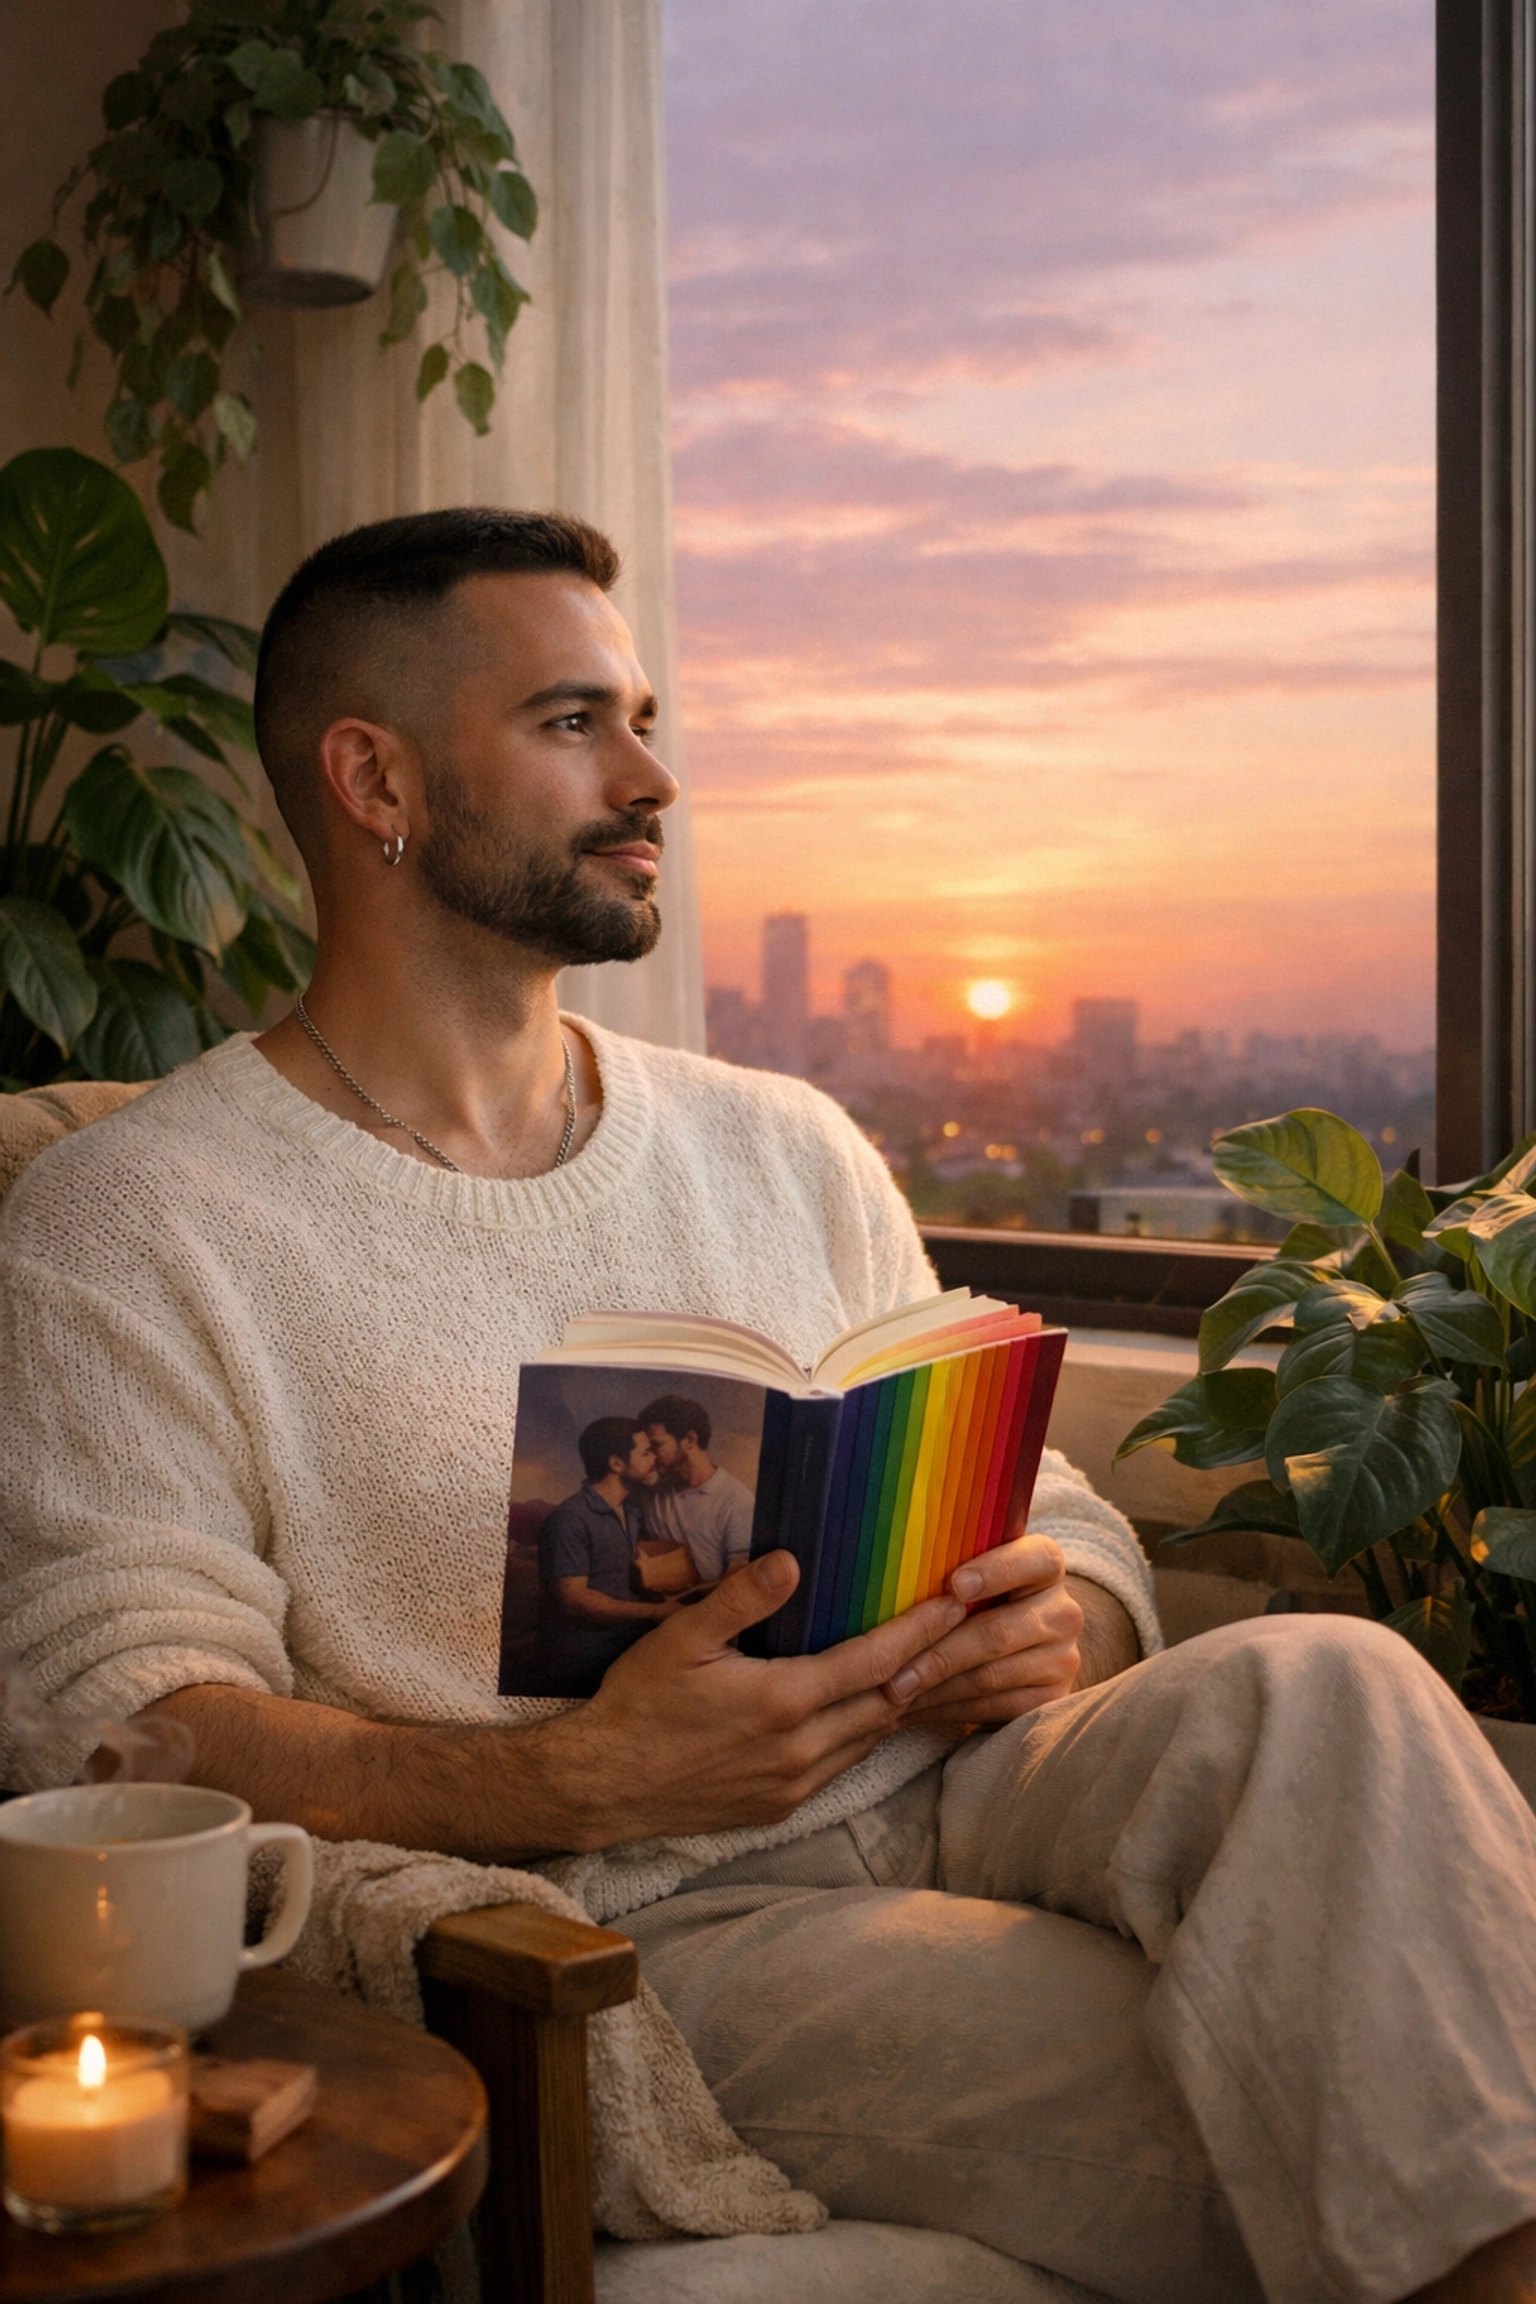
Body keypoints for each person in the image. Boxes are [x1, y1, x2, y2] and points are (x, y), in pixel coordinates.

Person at [2, 507, 1536, 2304]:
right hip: (652, 1909)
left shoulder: (777, 1136)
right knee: (1336, 2076)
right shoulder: (137, 1218)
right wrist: (564, 1774)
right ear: (375, 776)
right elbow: (125, 1724)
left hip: (970, 1769)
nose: (652, 775)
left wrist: (1062, 1612)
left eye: (644, 716)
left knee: (1328, 1675)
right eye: (576, 722)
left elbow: (1050, 1502)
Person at [535, 1417, 676, 1694]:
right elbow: (574, 1600)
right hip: (582, 1662)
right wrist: (656, 1611)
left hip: (626, 1649)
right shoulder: (570, 1520)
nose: (654, 1459)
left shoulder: (632, 1511)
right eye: (646, 1453)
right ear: (616, 1463)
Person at [637, 1392, 755, 1584]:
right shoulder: (653, 1494)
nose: (651, 1455)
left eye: (656, 1445)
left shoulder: (738, 1502)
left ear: (690, 1440)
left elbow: (738, 1583)